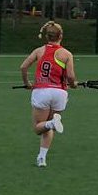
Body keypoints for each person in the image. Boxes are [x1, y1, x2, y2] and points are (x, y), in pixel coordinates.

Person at [20, 21, 77, 168]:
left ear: (47, 36)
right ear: (61, 36)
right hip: (60, 93)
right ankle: (42, 158)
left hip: (42, 92)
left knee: (38, 127)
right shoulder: (66, 54)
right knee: (48, 126)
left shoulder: (39, 51)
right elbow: (70, 76)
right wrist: (73, 84)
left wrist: (27, 83)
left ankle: (52, 124)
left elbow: (24, 67)